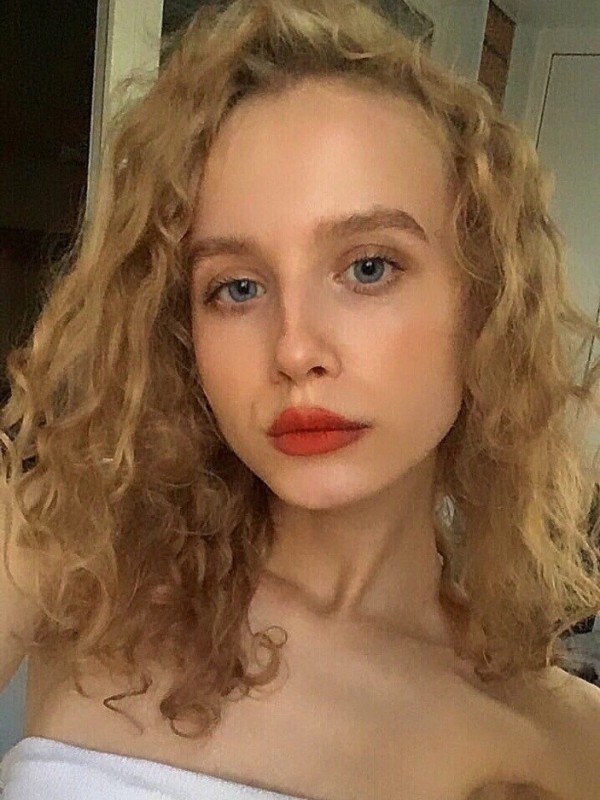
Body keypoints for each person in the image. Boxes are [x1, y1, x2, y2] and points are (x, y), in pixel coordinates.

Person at [1, 1, 599, 798]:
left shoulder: (564, 742)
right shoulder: (69, 560)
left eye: (368, 268)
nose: (293, 350)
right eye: (237, 287)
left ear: (486, 300)